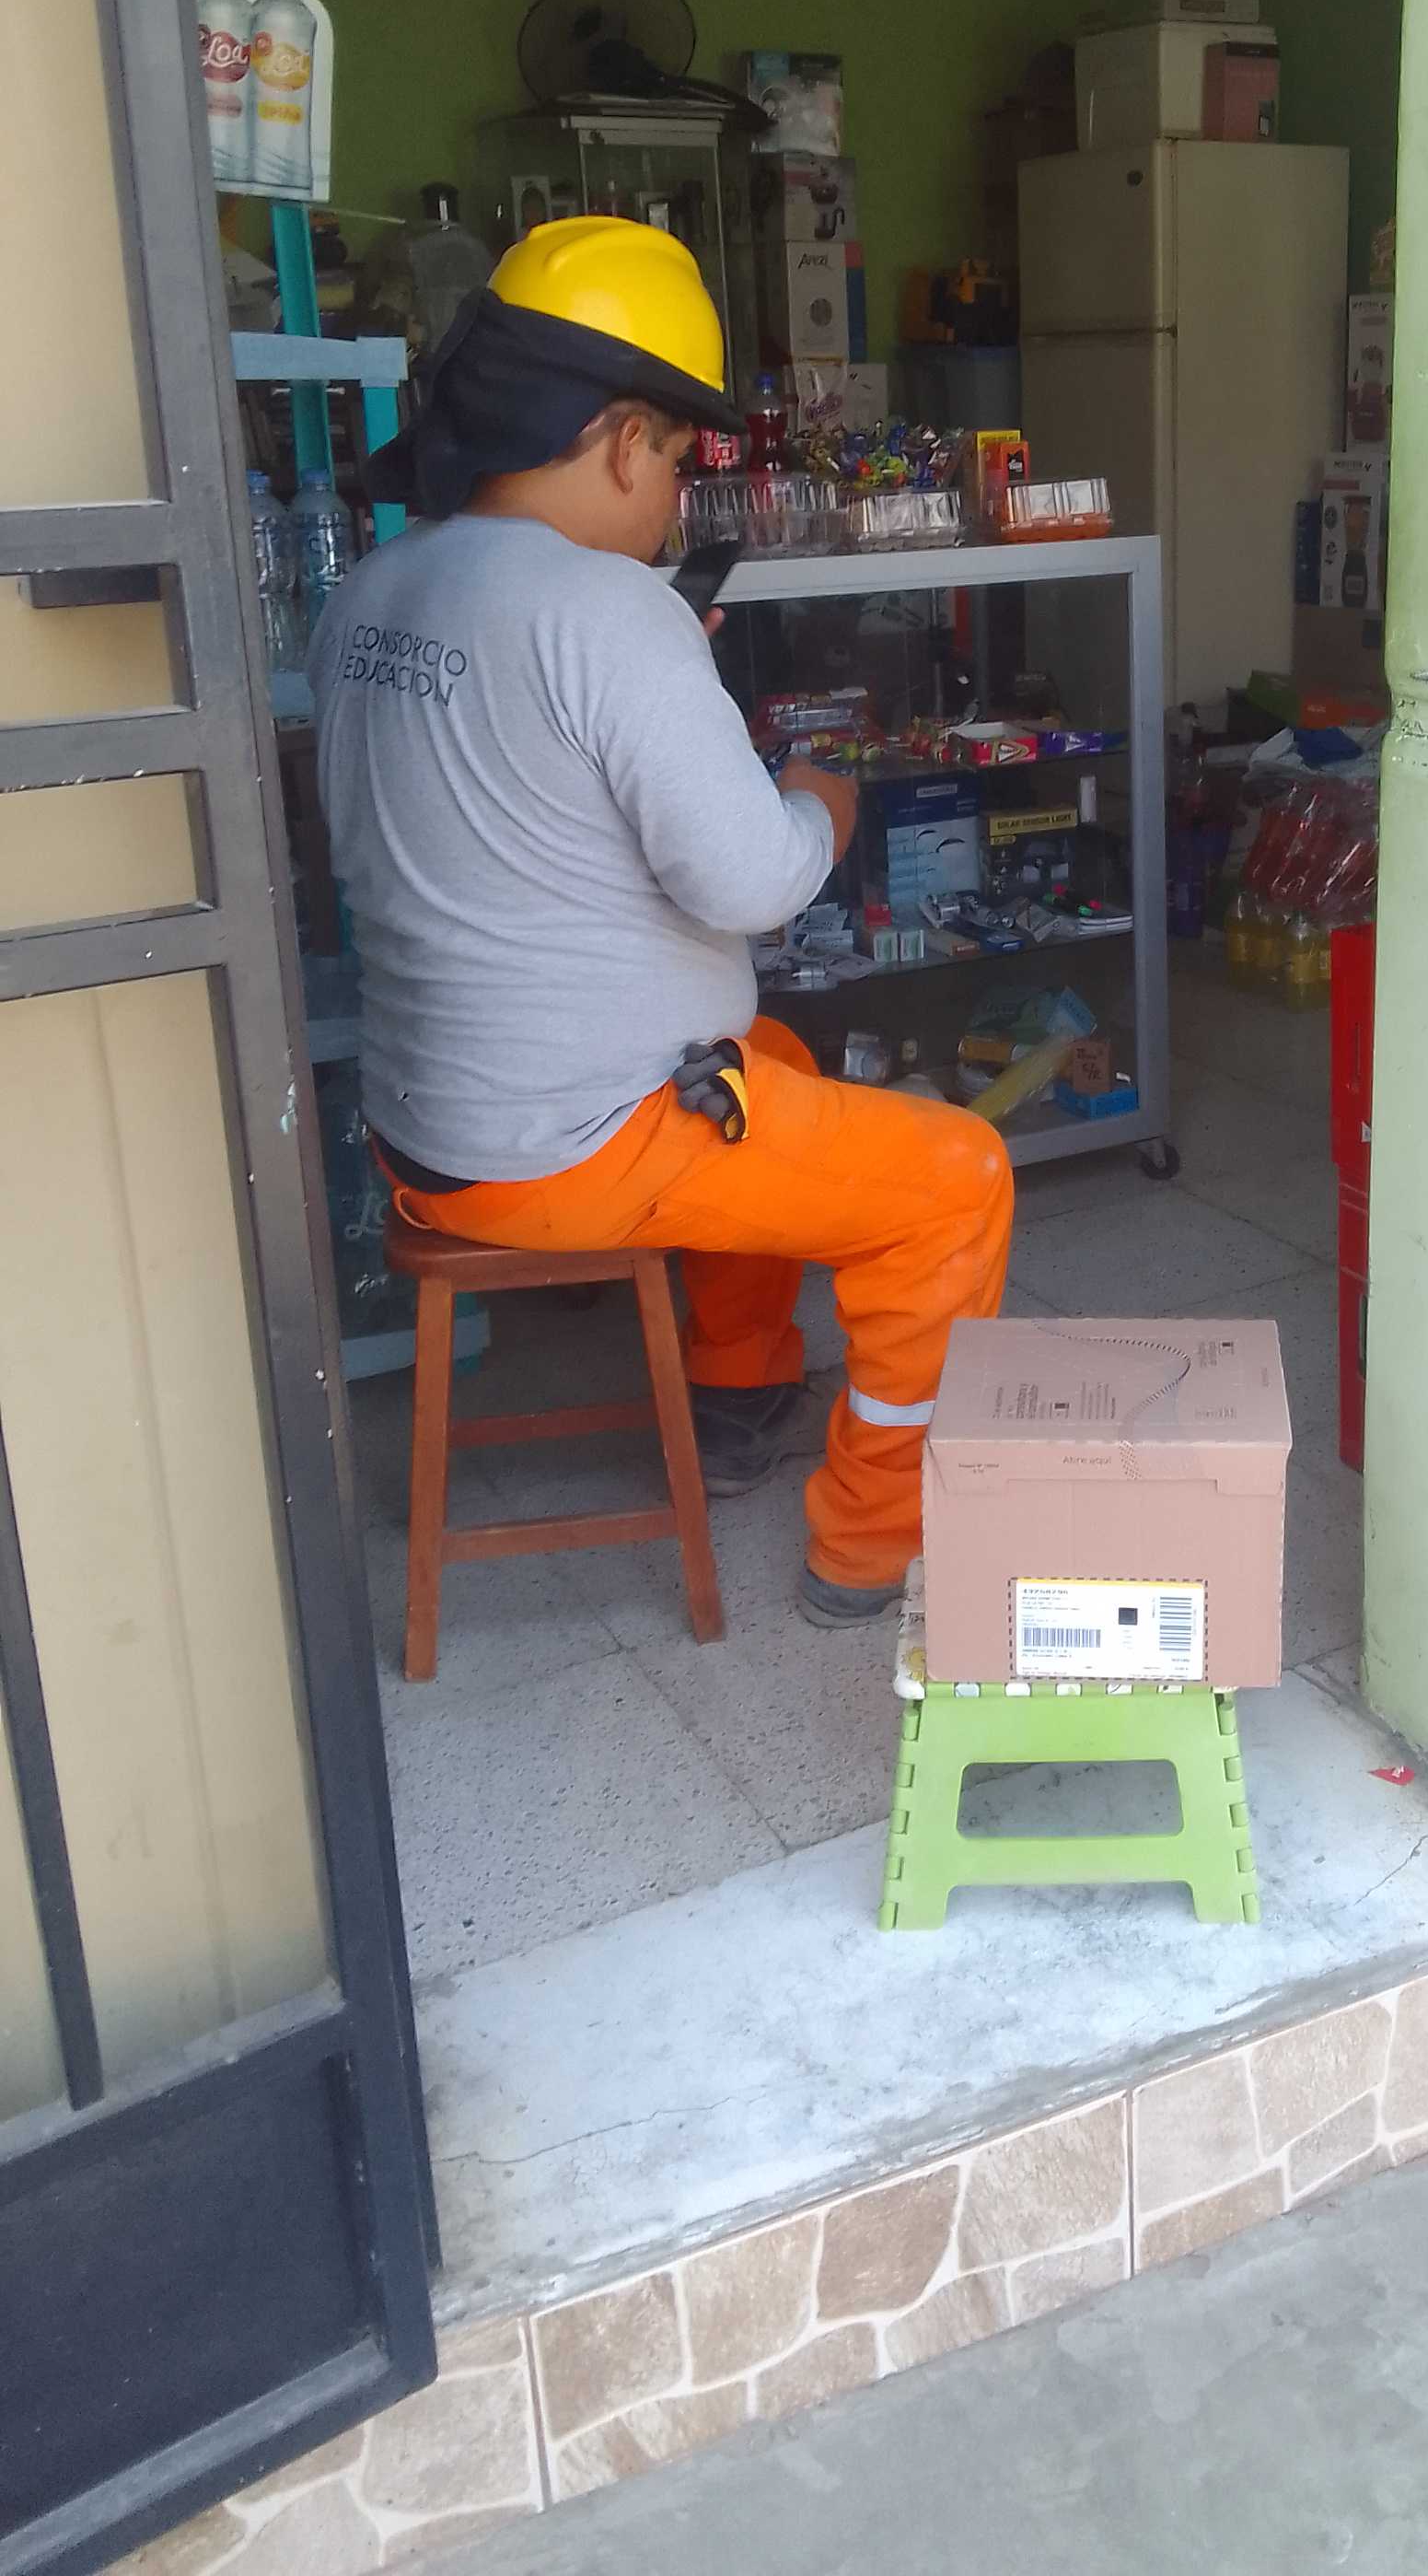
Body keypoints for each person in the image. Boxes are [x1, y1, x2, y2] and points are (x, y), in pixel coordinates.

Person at [308, 217, 1012, 1626]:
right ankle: (871, 1541)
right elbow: (751, 882)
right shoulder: (610, 612)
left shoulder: (371, 594)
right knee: (958, 1180)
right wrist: (820, 805)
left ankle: (739, 1389)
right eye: (679, 463)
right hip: (578, 1143)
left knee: (775, 1068)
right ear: (624, 441)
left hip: (420, 1132)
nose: (676, 501)